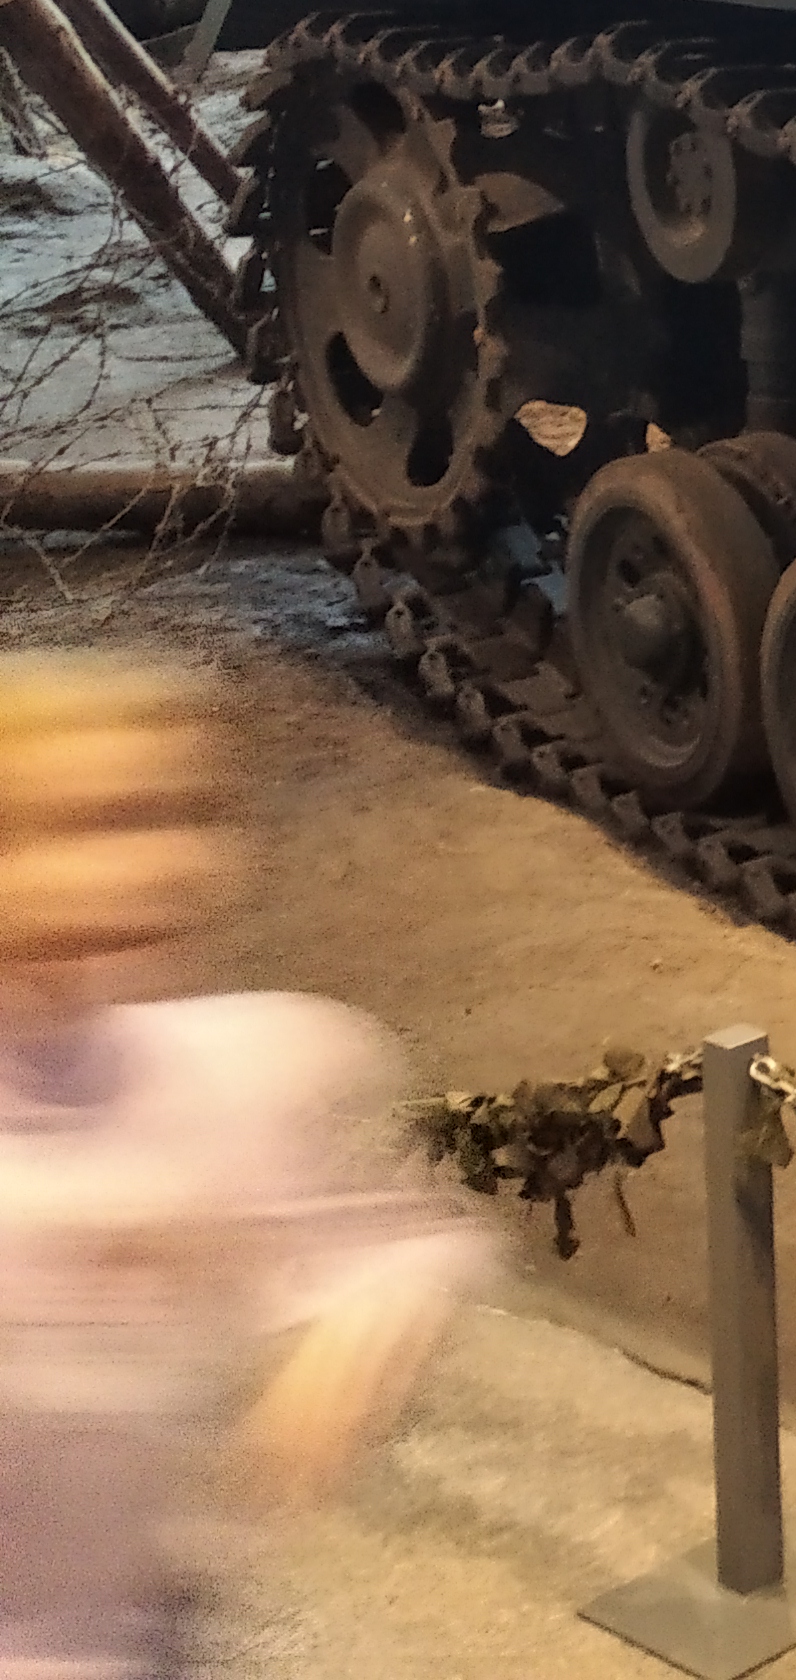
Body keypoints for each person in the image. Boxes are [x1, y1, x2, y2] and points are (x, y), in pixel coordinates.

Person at [0, 650, 479, 1680]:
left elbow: (405, 1238)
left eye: (178, 814)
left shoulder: (256, 1064)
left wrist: (360, 1331)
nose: (158, 864)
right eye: (87, 825)